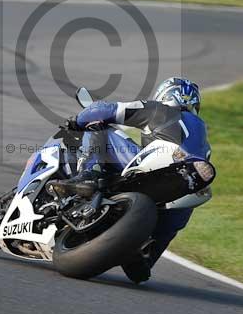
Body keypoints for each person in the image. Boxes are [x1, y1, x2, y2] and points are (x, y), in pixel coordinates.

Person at [50, 77, 212, 284]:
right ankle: (146, 256)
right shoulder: (204, 139)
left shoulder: (159, 109)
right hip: (183, 188)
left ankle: (89, 173)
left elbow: (105, 110)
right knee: (179, 215)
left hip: (159, 166)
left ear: (165, 95)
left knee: (100, 126)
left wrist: (77, 120)